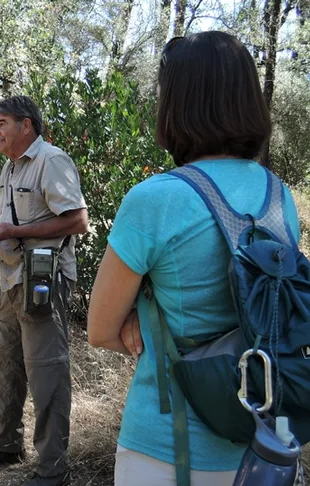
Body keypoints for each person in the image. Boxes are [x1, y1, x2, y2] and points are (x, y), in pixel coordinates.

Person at [86, 31, 300, 485]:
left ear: (179, 104)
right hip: (264, 446)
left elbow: (100, 330)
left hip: (167, 450)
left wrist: (140, 316)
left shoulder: (155, 200)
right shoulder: (280, 198)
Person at [0, 96, 88, 486]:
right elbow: (2, 216)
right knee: (3, 365)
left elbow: (78, 221)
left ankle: (53, 470)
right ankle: (6, 444)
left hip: (43, 282)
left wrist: (14, 233)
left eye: (1, 123)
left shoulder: (51, 161)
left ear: (26, 126)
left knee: (46, 373)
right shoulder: (9, 166)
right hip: (11, 281)